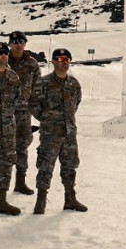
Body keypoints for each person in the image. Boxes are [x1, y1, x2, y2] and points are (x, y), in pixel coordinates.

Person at [30, 48, 84, 214]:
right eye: (60, 59)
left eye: (67, 59)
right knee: (46, 166)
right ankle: (41, 201)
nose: (64, 62)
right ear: (53, 62)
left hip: (69, 133)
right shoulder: (43, 82)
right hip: (50, 133)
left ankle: (70, 199)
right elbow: (33, 104)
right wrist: (47, 119)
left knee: (70, 166)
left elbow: (76, 104)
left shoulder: (73, 84)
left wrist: (66, 120)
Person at [0, 42, 22, 216]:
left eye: (5, 53)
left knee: (6, 164)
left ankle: (1, 200)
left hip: (7, 129)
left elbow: (16, 100)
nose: (3, 56)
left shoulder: (13, 77)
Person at [7, 31, 41, 196]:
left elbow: (37, 88)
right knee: (2, 147)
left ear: (25, 43)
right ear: (9, 44)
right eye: (14, 41)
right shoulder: (1, 60)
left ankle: (20, 182)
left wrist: (38, 111)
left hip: (24, 112)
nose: (17, 44)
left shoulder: (32, 64)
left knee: (22, 147)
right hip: (4, 112)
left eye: (20, 41)